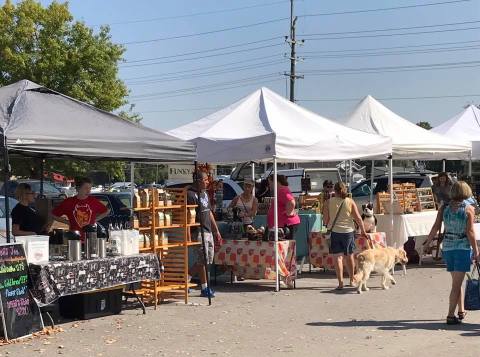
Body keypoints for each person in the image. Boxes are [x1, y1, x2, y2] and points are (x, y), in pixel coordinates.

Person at [426, 181, 479, 325]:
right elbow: (470, 232)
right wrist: (476, 251)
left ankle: (461, 310)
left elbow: (436, 226)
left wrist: (428, 241)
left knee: (457, 280)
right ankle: (450, 315)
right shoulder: (468, 209)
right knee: (456, 284)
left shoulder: (444, 208)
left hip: (448, 247)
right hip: (462, 248)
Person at [324, 182, 367, 290]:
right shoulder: (350, 201)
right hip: (348, 232)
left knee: (337, 257)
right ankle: (352, 279)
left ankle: (340, 282)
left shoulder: (328, 202)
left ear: (335, 190)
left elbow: (325, 220)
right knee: (349, 256)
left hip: (334, 232)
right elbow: (358, 218)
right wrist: (363, 231)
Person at [187, 171, 222, 298]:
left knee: (207, 260)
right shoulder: (190, 194)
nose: (208, 182)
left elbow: (209, 213)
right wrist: (189, 234)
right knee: (202, 260)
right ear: (198, 180)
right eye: (206, 180)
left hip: (208, 231)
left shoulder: (205, 193)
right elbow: (187, 217)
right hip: (198, 231)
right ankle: (204, 288)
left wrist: (216, 230)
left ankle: (185, 279)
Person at [267, 175, 300, 240]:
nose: (269, 185)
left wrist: (289, 212)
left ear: (276, 182)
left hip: (287, 224)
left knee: (286, 245)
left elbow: (291, 201)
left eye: (270, 182)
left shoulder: (282, 190)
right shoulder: (281, 190)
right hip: (283, 224)